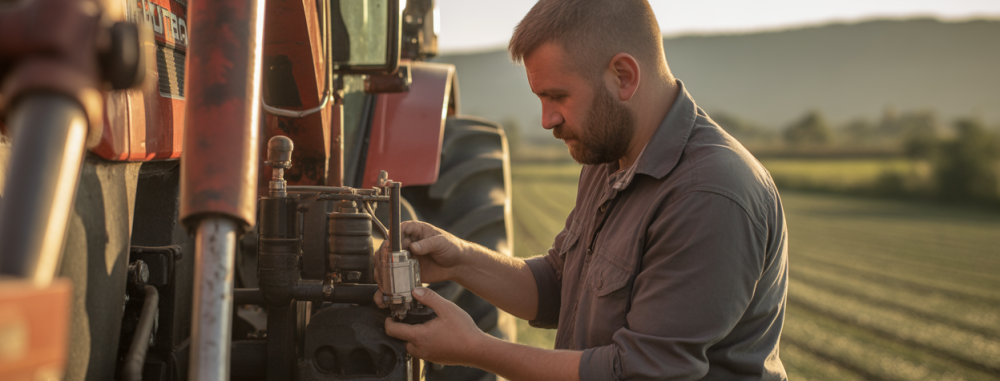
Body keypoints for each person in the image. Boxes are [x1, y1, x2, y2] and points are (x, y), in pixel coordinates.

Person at [376, 0, 789, 379]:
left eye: (558, 96)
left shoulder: (709, 194)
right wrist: (458, 260)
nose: (546, 119)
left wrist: (476, 349)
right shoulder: (609, 158)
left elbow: (642, 373)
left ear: (623, 76)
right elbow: (560, 285)